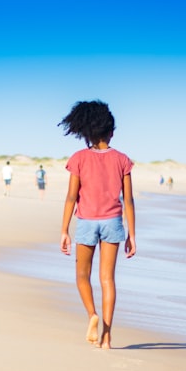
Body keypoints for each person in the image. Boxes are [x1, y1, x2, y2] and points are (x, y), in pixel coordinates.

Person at [58, 100, 136, 349]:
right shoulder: (122, 160)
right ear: (111, 131)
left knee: (82, 275)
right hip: (113, 222)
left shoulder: (79, 158)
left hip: (86, 223)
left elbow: (71, 196)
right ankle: (107, 336)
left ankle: (92, 314)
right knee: (107, 280)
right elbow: (129, 200)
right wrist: (131, 235)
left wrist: (64, 231)